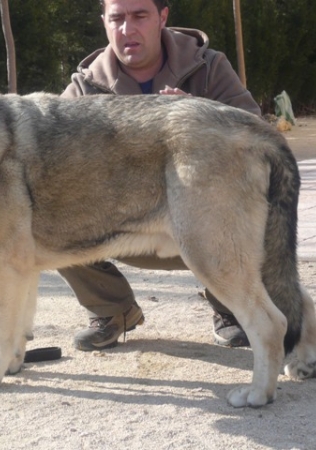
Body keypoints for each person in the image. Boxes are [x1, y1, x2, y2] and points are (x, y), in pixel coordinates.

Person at [59, 0, 262, 351]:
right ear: (104, 22)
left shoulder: (210, 66)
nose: (127, 29)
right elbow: (52, 164)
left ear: (162, 17)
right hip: (127, 229)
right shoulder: (84, 87)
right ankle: (112, 310)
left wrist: (203, 118)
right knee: (50, 217)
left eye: (139, 16)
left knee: (264, 203)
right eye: (117, 18)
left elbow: (260, 137)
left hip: (206, 226)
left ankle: (229, 305)